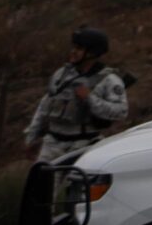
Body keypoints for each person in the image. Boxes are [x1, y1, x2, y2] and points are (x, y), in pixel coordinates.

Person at [24, 27, 130, 164]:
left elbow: (121, 112)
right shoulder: (61, 74)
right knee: (41, 184)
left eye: (79, 48)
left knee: (77, 185)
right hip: (51, 145)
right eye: (73, 47)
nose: (73, 52)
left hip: (83, 146)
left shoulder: (109, 80)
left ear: (93, 52)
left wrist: (90, 98)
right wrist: (31, 137)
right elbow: (44, 107)